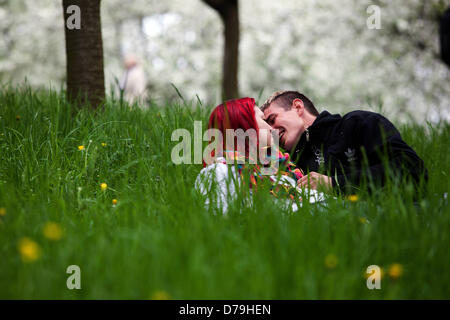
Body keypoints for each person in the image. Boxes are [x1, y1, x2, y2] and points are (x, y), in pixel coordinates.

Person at [260, 90, 428, 194]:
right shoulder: (290, 163)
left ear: (297, 107)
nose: (272, 131)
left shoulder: (358, 123)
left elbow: (412, 168)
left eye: (273, 120)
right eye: (267, 127)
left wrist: (335, 184)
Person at [195, 97, 326, 214]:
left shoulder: (282, 169)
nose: (271, 128)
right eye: (264, 120)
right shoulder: (219, 172)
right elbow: (217, 225)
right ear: (245, 125)